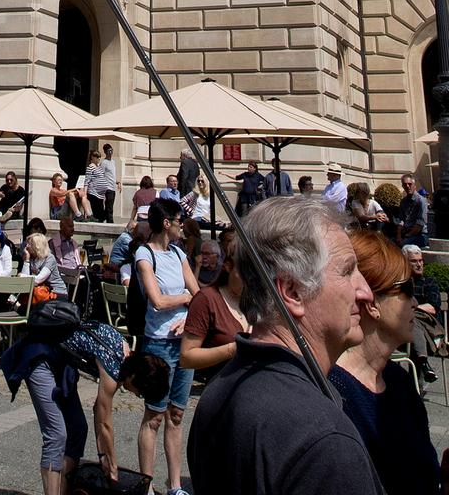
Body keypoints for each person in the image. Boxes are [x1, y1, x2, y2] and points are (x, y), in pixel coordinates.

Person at [188, 196, 384, 495]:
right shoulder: (324, 439)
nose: (366, 292)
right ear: (291, 291)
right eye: (347, 272)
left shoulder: (218, 392)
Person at [1, 320, 171, 495]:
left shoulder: (126, 354)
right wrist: (111, 462)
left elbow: (99, 411)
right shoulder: (113, 365)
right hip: (40, 356)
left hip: (61, 362)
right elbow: (105, 421)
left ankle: (63, 490)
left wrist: (103, 455)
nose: (136, 395)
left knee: (78, 429)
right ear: (135, 376)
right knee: (56, 435)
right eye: (140, 392)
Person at [330, 231, 440, 495]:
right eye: (407, 289)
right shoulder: (334, 393)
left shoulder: (398, 380)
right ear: (371, 303)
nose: (414, 302)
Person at [134, 198, 198, 495]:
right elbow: (157, 301)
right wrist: (184, 298)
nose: (183, 225)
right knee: (154, 415)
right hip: (158, 343)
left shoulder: (178, 253)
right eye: (179, 219)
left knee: (176, 414)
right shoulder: (145, 255)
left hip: (183, 342)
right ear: (167, 223)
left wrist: (188, 318)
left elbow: (198, 295)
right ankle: (146, 487)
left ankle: (174, 486)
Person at [180, 228, 249, 378]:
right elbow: (187, 357)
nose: (250, 279)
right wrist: (232, 349)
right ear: (228, 266)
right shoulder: (207, 299)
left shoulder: (260, 302)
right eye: (244, 272)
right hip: (221, 390)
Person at [402, 244, 443, 383]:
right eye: (414, 261)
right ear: (405, 263)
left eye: (420, 261)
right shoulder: (400, 283)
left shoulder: (429, 282)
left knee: (413, 320)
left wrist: (412, 309)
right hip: (403, 330)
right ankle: (423, 367)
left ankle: (414, 385)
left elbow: (433, 307)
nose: (419, 264)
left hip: (430, 330)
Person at [21, 233, 68, 299]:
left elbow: (38, 279)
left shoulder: (49, 258)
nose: (27, 246)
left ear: (37, 246)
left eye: (30, 244)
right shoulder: (32, 257)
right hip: (41, 292)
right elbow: (23, 281)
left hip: (56, 293)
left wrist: (22, 276)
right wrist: (26, 260)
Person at [396, 173, 430, 248]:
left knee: (402, 245)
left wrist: (407, 236)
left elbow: (420, 224)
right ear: (402, 186)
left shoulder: (421, 201)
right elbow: (401, 221)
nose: (407, 186)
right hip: (406, 233)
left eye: (410, 184)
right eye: (405, 184)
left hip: (420, 235)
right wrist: (399, 236)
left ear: (414, 186)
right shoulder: (403, 202)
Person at [83, 149, 114, 222]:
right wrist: (85, 193)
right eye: (97, 157)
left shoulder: (99, 167)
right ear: (92, 157)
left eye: (99, 157)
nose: (99, 158)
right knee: (99, 215)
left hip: (100, 195)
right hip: (94, 193)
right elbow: (87, 181)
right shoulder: (90, 167)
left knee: (102, 214)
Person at [98, 144, 119, 220]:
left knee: (109, 206)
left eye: (111, 150)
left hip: (113, 187)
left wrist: (117, 182)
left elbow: (112, 174)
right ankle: (110, 221)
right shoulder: (104, 163)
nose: (110, 152)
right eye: (109, 151)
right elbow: (101, 175)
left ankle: (102, 218)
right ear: (105, 152)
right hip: (107, 187)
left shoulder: (113, 162)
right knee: (109, 206)